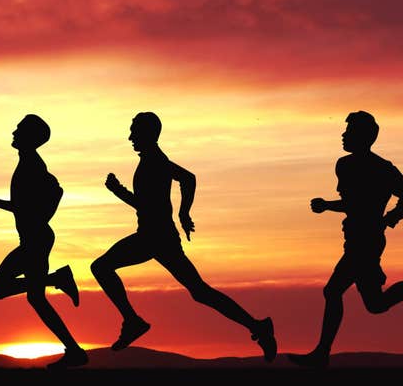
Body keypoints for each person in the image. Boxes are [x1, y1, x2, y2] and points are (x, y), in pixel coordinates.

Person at [91, 112, 278, 360]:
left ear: (147, 133)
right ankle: (257, 326)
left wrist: (121, 192)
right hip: (158, 237)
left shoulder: (154, 161)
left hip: (153, 237)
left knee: (101, 267)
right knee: (200, 291)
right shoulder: (152, 160)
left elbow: (172, 189)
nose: (130, 137)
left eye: (134, 131)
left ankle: (133, 321)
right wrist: (180, 212)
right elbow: (171, 189)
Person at [288, 111, 403, 368]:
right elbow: (357, 203)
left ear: (363, 137)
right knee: (375, 304)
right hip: (357, 237)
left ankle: (322, 354)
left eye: (348, 131)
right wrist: (338, 208)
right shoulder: (346, 165)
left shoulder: (382, 169)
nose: (343, 135)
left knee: (334, 291)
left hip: (367, 240)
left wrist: (386, 219)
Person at [0, 115, 85, 368]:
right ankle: (75, 348)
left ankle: (59, 284)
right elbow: (52, 192)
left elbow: (27, 206)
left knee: (0, 289)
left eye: (19, 130)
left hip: (36, 240)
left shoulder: (31, 165)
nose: (13, 132)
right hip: (34, 238)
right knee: (30, 296)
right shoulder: (29, 163)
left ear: (30, 137)